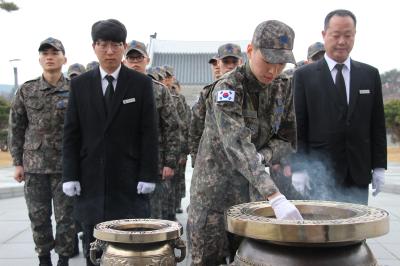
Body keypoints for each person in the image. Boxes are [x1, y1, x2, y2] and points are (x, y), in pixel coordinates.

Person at [187, 20, 303, 265]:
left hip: (252, 199)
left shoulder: (283, 87)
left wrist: (264, 155)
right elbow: (237, 144)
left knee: (252, 260)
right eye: (268, 61)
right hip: (215, 197)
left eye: (281, 63)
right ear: (250, 51)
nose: (273, 70)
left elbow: (287, 139)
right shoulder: (228, 88)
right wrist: (275, 195)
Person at [61, 19, 159, 266]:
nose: (109, 51)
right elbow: (72, 134)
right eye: (103, 45)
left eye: (115, 45)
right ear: (94, 46)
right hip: (90, 180)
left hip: (129, 181)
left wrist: (148, 175)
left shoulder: (140, 84)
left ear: (124, 47)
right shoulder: (80, 85)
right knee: (93, 248)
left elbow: (149, 133)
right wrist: (69, 175)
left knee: (129, 248)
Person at [293, 9, 387, 205]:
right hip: (319, 173)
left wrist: (379, 166)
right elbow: (298, 125)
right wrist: (299, 167)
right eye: (336, 35)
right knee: (322, 231)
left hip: (358, 172)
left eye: (348, 35)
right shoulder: (304, 76)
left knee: (356, 230)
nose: (342, 42)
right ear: (324, 34)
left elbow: (377, 124)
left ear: (355, 36)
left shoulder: (369, 74)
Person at [9, 37, 74, 266]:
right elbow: (16, 128)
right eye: (45, 53)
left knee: (67, 219)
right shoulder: (27, 90)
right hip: (35, 167)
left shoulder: (74, 90)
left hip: (66, 167)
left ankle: (64, 259)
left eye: (55, 53)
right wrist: (17, 163)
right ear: (39, 58)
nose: (49, 56)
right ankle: (44, 258)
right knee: (38, 217)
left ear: (64, 59)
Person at [123, 40, 180, 220]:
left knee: (153, 217)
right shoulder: (115, 89)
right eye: (131, 58)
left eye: (139, 58)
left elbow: (171, 127)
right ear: (124, 61)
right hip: (122, 166)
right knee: (125, 218)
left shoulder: (160, 91)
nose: (135, 62)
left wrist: (170, 162)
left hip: (154, 164)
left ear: (147, 60)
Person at [189, 43, 242, 167]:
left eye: (234, 62)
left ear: (240, 62)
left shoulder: (250, 91)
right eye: (226, 62)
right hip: (212, 163)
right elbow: (196, 126)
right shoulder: (207, 92)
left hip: (242, 162)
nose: (230, 66)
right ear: (219, 63)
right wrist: (195, 156)